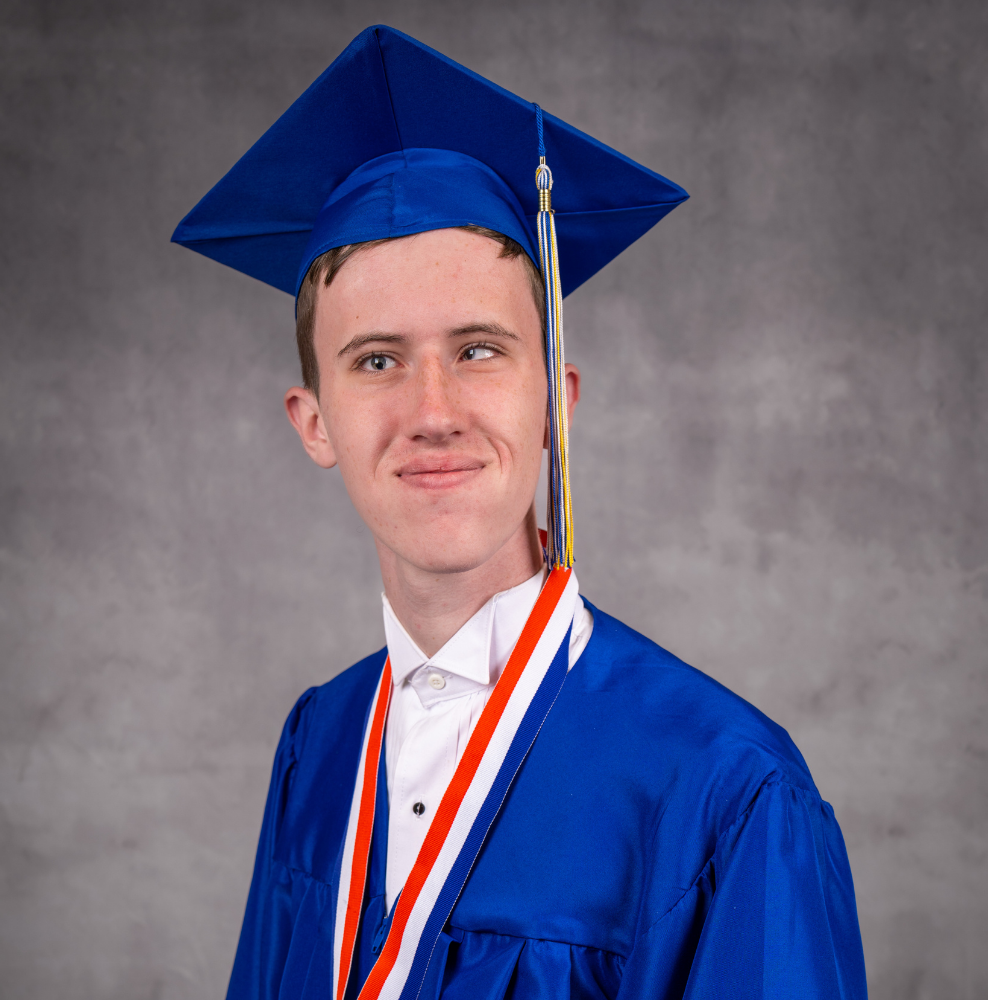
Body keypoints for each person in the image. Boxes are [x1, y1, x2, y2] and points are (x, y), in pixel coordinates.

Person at [173, 24, 867, 1000]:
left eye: (478, 350)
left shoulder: (724, 785)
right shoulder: (317, 745)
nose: (432, 412)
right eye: (377, 359)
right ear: (313, 421)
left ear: (555, 403)